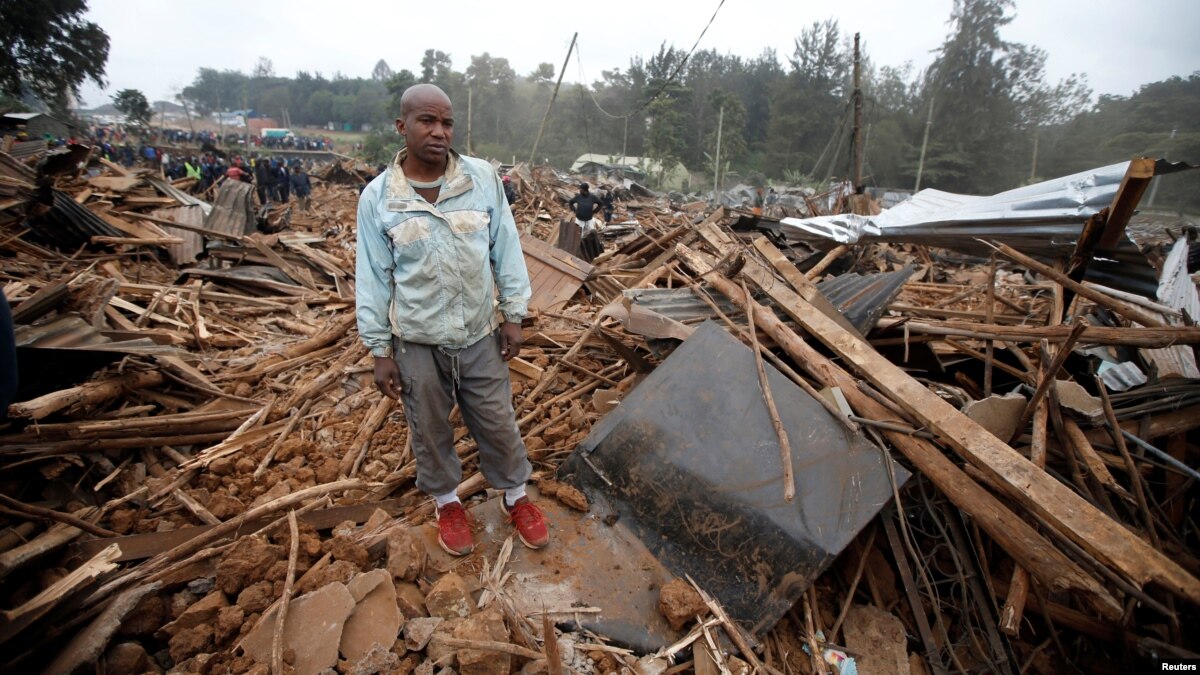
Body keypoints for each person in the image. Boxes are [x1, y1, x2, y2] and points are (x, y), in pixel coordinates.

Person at [356, 84, 548, 557]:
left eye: (446, 123)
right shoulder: (379, 198)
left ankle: (515, 496)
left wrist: (514, 314)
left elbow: (506, 248)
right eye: (427, 121)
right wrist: (379, 350)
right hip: (417, 341)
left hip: (480, 333)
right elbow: (374, 278)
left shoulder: (481, 179)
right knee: (429, 428)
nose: (439, 132)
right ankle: (447, 503)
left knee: (498, 420)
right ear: (402, 126)